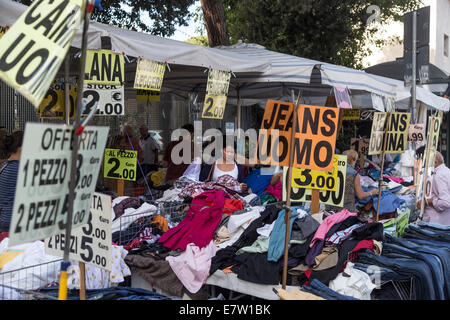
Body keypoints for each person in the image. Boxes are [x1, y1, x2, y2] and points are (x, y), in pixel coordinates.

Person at [0, 131, 24, 232]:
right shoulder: (17, 168)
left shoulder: (6, 164)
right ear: (21, 148)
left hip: (6, 219)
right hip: (13, 222)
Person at [418, 151, 450, 225]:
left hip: (437, 223)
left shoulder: (438, 176)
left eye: (425, 163)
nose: (424, 166)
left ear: (435, 162)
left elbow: (446, 202)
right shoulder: (446, 171)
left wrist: (428, 201)